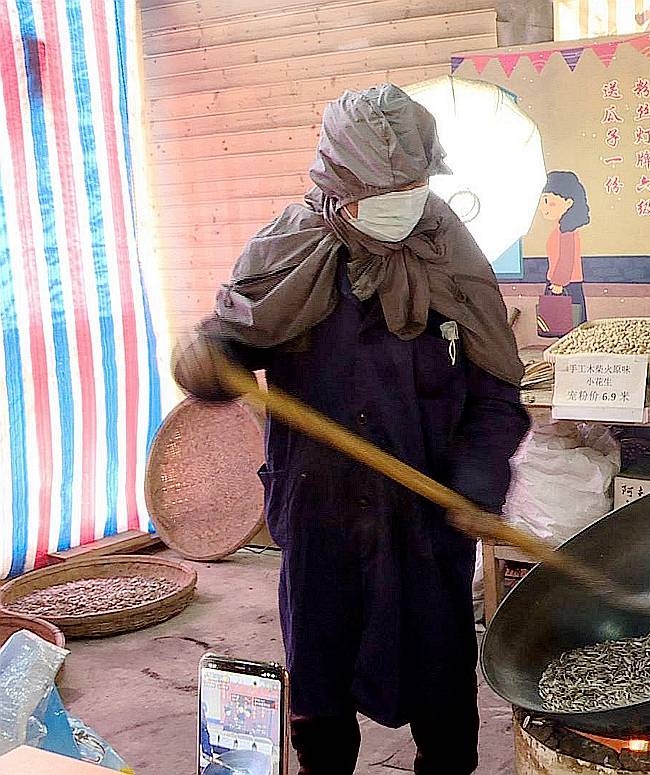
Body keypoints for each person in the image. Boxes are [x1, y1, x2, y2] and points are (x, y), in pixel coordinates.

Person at [173, 85, 531, 775]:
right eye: (379, 190)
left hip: (426, 513)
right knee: (321, 678)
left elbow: (496, 391)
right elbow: (233, 348)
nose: (401, 200)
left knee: (441, 679)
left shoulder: (449, 255)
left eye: (413, 185)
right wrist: (211, 360)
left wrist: (476, 480)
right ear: (339, 182)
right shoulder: (288, 255)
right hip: (321, 512)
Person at [539, 170, 590, 324]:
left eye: (551, 203)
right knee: (563, 326)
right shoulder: (561, 229)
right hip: (561, 283)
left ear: (568, 203)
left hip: (564, 285)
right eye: (543, 201)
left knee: (566, 327)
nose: (545, 208)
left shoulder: (567, 231)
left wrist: (558, 283)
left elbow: (566, 260)